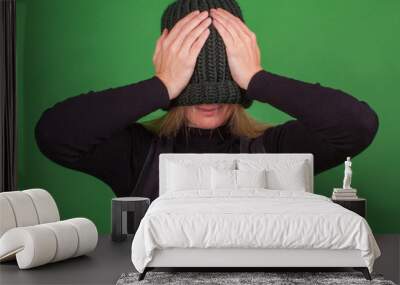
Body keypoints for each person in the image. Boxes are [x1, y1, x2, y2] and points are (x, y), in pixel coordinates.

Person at [34, 0, 379, 201]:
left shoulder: (271, 149)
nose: (209, 99)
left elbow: (358, 126)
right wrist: (162, 85)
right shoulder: (139, 152)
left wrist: (258, 79)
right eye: (190, 77)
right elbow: (54, 134)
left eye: (227, 75)